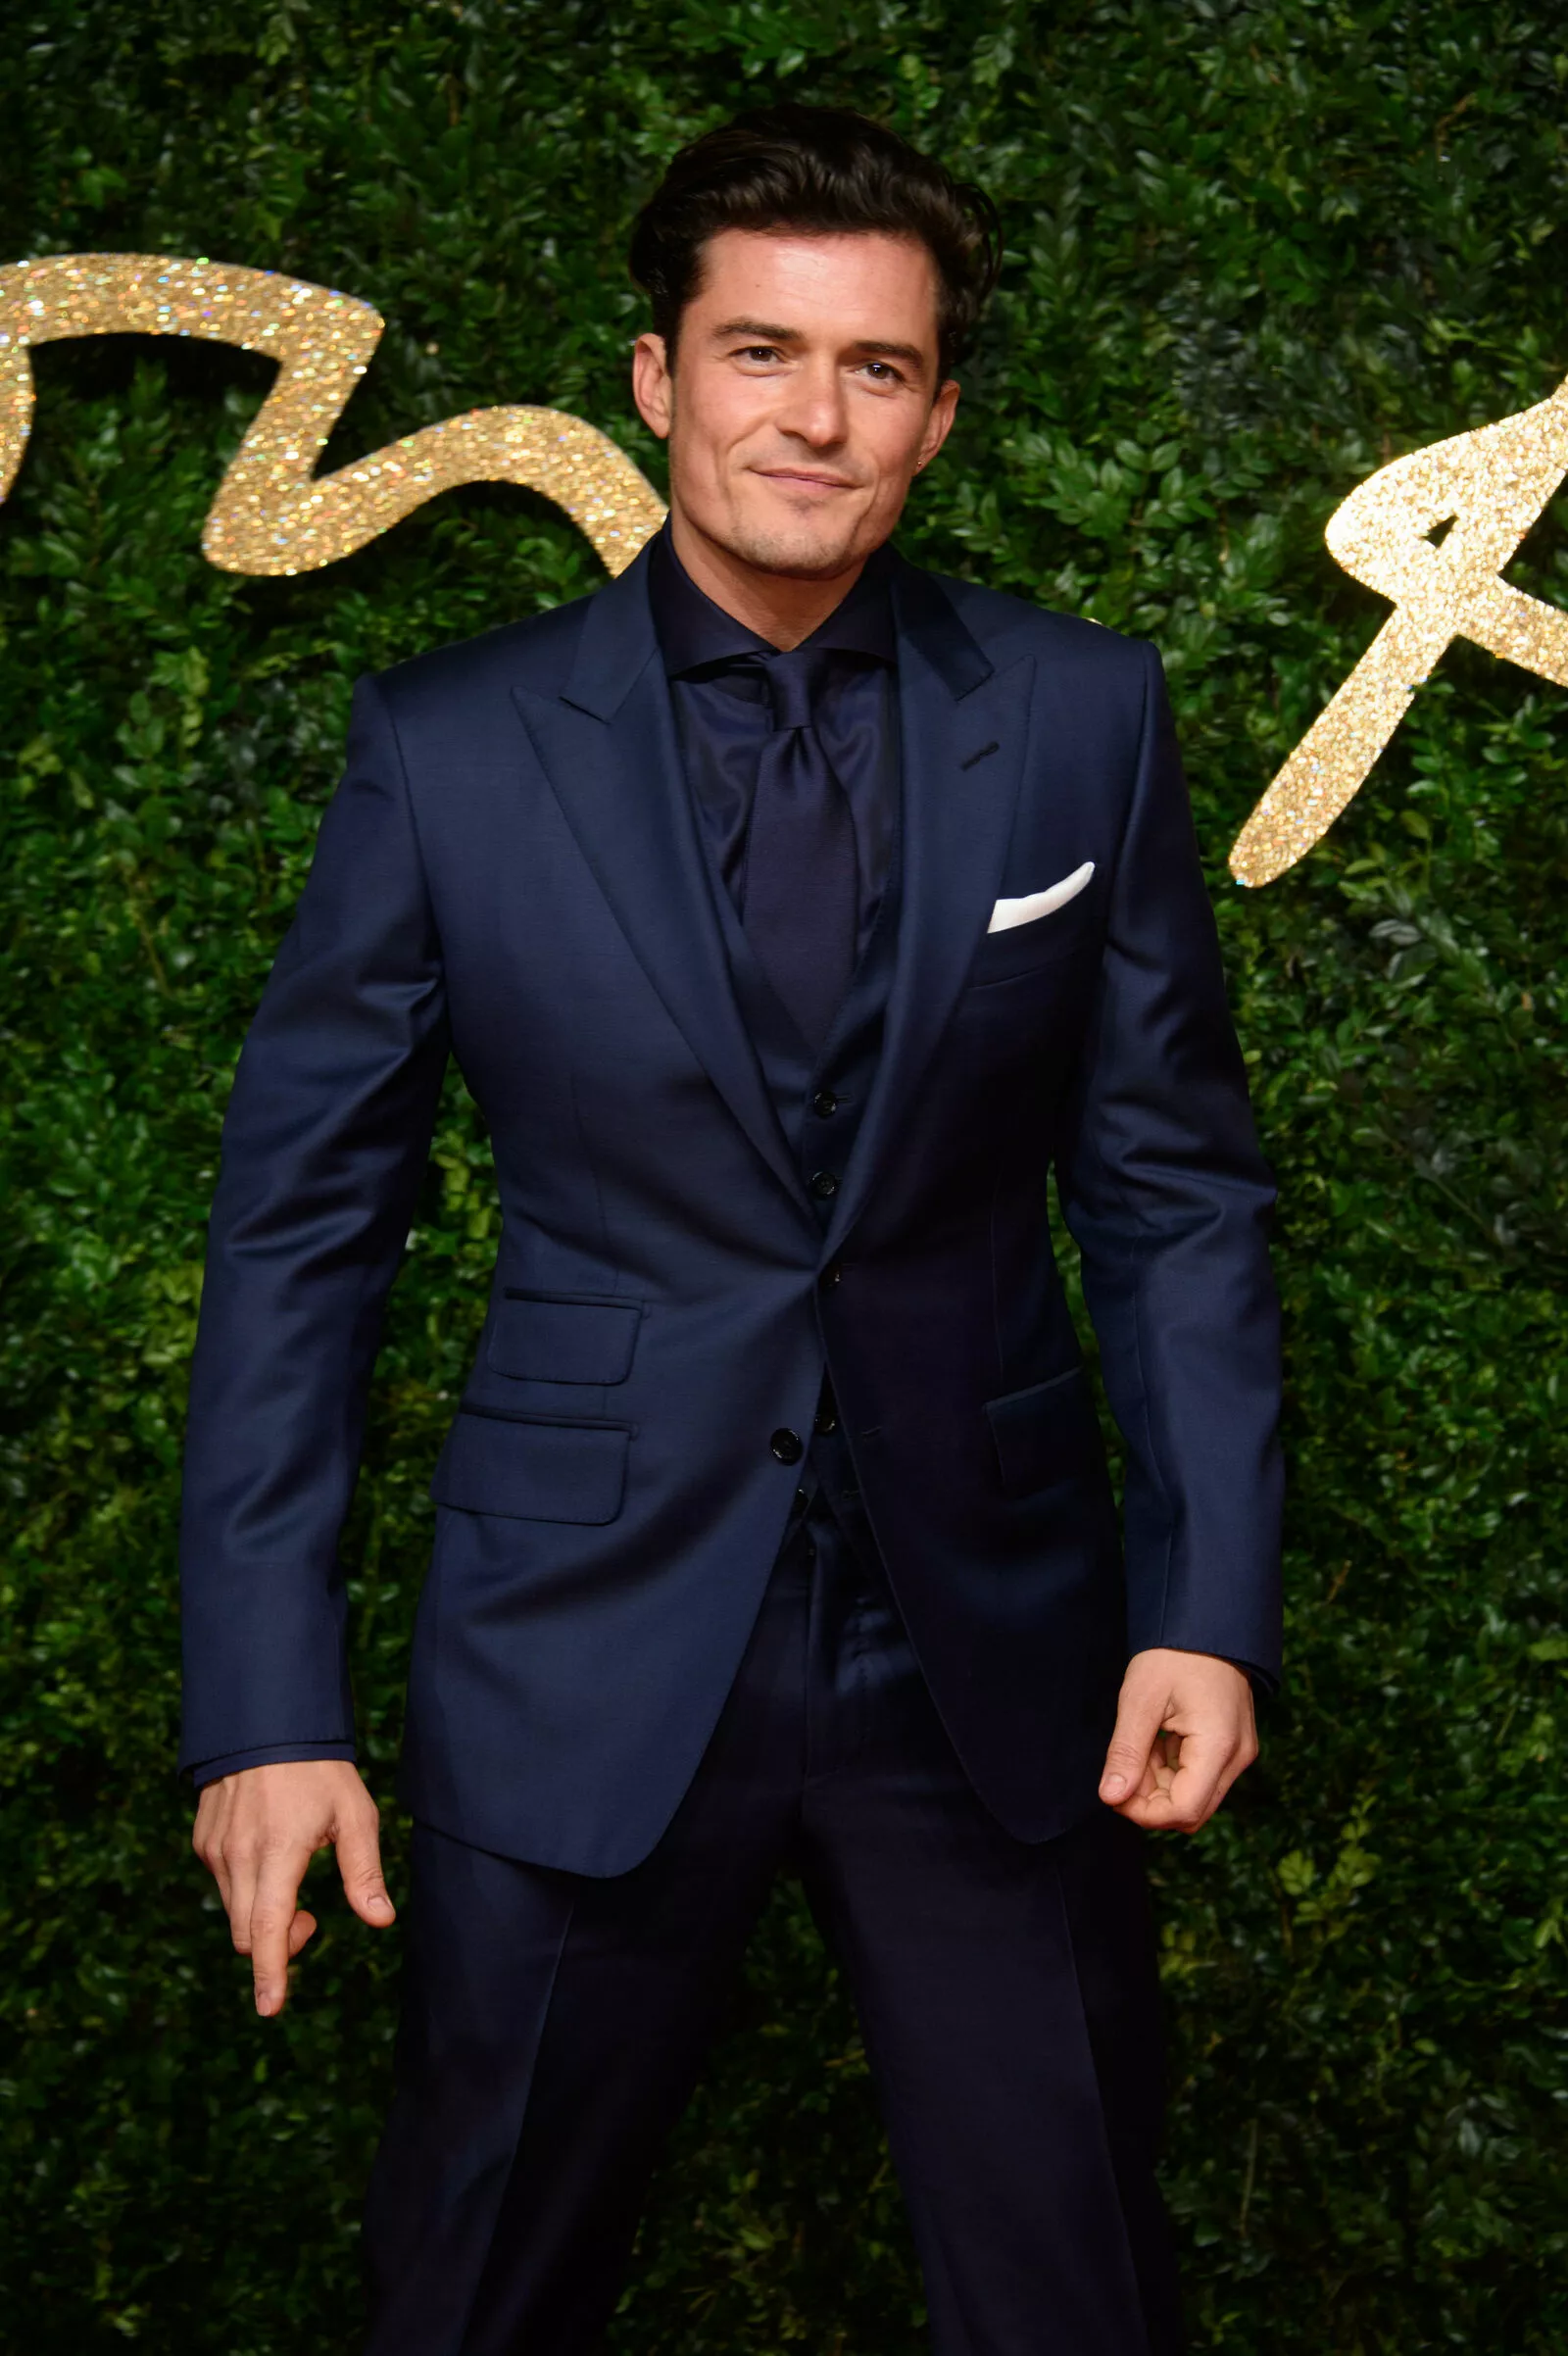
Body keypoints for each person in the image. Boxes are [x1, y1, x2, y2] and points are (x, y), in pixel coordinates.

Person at [181, 102, 1282, 2356]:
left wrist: (1206, 1605)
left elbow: (1169, 1185)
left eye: (876, 367)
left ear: (937, 415)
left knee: (1076, 2292)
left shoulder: (1079, 714)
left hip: (991, 1660)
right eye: (759, 350)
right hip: (573, 1649)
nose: (814, 413)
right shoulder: (451, 744)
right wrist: (262, 1706)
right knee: (472, 2296)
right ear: (656, 378)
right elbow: (303, 1238)